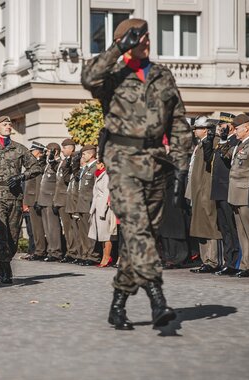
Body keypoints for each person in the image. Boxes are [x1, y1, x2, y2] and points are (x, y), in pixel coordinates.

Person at [82, 18, 192, 330]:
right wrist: (117, 48)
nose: (146, 41)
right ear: (128, 40)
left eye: (145, 36)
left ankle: (118, 303)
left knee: (139, 236)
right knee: (137, 228)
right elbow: (88, 77)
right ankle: (158, 299)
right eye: (140, 37)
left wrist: (182, 166)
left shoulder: (161, 74)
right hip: (122, 161)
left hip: (157, 162)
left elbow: (179, 121)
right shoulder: (113, 75)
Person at [0, 116, 43, 283]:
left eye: (9, 124)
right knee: (1, 233)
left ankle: (5, 262)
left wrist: (22, 176)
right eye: (4, 124)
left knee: (14, 235)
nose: (8, 126)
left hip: (15, 196)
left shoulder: (20, 149)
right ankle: (5, 266)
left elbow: (36, 167)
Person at [227, 114, 249, 278]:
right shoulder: (240, 145)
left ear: (246, 128)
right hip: (235, 194)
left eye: (237, 129)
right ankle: (245, 263)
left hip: (246, 193)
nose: (235, 132)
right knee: (242, 232)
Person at [187, 117, 223, 273]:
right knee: (200, 226)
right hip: (197, 190)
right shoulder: (199, 144)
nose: (195, 131)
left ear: (207, 129)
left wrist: (206, 191)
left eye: (198, 128)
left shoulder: (213, 142)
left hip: (206, 190)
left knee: (211, 226)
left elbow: (211, 170)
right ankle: (206, 260)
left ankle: (213, 260)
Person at [210, 113, 241, 276]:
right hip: (219, 191)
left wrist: (223, 140)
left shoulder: (235, 141)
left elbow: (227, 161)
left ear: (230, 126)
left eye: (222, 125)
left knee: (232, 228)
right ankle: (229, 262)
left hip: (229, 190)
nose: (219, 127)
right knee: (225, 229)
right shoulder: (222, 141)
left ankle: (235, 262)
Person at [71, 144, 99, 266]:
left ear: (91, 154)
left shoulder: (96, 167)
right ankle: (85, 254)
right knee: (83, 233)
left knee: (90, 233)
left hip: (90, 204)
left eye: (84, 154)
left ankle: (93, 256)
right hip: (82, 204)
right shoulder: (86, 168)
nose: (82, 156)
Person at [36, 142, 63, 262]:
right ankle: (51, 250)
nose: (46, 153)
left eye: (48, 151)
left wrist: (53, 160)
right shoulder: (48, 163)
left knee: (53, 228)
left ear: (55, 151)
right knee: (47, 228)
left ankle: (56, 252)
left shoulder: (58, 163)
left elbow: (58, 180)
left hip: (51, 198)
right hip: (43, 199)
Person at [56, 138, 80, 263]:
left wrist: (70, 162)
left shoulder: (76, 158)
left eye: (64, 148)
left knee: (72, 228)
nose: (63, 150)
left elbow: (69, 179)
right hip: (63, 198)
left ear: (71, 148)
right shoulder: (66, 160)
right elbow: (65, 177)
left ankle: (75, 252)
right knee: (68, 228)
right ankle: (71, 251)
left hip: (69, 198)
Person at [22, 142, 47, 261]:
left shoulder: (38, 166)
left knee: (37, 228)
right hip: (29, 200)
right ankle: (36, 250)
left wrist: (37, 200)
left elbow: (38, 184)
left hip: (34, 200)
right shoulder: (31, 165)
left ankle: (40, 251)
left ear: (37, 152)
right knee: (33, 229)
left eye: (32, 152)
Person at [88, 160, 116, 267]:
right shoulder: (99, 174)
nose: (96, 165)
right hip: (98, 207)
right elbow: (95, 193)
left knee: (106, 235)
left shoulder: (106, 175)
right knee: (101, 235)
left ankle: (107, 257)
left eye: (97, 163)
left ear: (102, 164)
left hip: (104, 208)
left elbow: (106, 193)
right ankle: (104, 257)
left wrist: (103, 209)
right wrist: (93, 209)